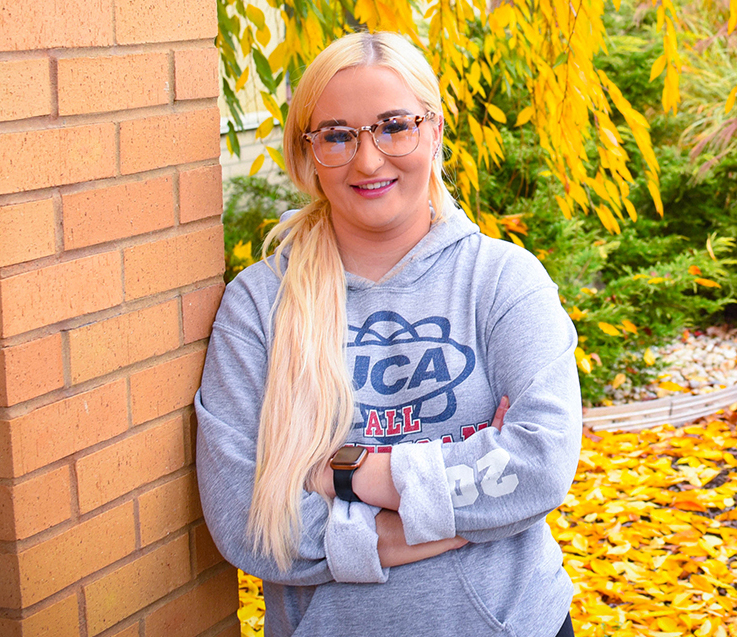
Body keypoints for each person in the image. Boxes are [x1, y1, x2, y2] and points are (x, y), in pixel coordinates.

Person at [194, 31, 583, 637]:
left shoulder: (503, 281)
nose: (368, 160)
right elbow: (247, 522)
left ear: (433, 131)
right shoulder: (259, 302)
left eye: (394, 126)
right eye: (338, 135)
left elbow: (539, 464)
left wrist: (351, 474)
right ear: (307, 151)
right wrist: (435, 519)